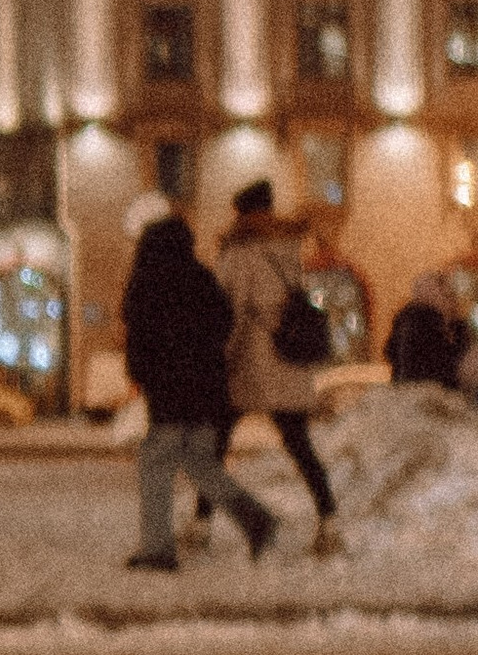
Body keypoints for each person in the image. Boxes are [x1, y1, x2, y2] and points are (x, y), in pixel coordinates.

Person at [118, 200, 277, 571]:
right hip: (207, 391)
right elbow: (223, 324)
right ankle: (255, 519)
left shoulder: (148, 282)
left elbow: (139, 338)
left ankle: (157, 549)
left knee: (155, 464)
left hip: (169, 392)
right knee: (199, 462)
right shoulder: (202, 278)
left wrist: (140, 374)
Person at [217, 178, 344, 556]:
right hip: (287, 363)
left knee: (215, 444)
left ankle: (204, 522)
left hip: (253, 362)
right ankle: (329, 519)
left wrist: (222, 356)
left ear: (242, 213)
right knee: (299, 444)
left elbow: (233, 311)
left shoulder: (240, 252)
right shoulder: (288, 248)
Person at [384, 274, 468, 392]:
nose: (452, 301)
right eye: (445, 296)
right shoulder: (414, 325)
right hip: (422, 394)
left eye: (450, 296)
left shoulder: (458, 327)